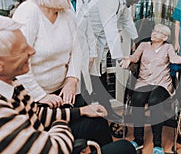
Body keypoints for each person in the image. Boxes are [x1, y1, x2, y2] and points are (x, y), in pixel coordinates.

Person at [0, 15, 137, 154]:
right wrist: (61, 123)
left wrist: (82, 111)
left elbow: (37, 113)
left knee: (97, 120)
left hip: (42, 133)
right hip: (48, 146)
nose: (32, 51)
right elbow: (53, 149)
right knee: (125, 148)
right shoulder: (2, 112)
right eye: (22, 50)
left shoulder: (13, 83)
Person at [12, 0, 112, 146]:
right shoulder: (29, 12)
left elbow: (76, 48)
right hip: (36, 98)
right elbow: (18, 62)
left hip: (64, 89)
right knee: (82, 129)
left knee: (100, 121)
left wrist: (72, 79)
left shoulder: (66, 13)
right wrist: (41, 95)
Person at [120, 24, 181, 154]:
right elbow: (135, 57)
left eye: (158, 32)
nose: (154, 33)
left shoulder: (168, 47)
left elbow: (174, 59)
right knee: (137, 100)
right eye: (154, 30)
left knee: (154, 102)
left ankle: (157, 144)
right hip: (143, 82)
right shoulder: (143, 46)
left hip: (162, 83)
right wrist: (128, 58)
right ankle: (138, 139)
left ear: (164, 37)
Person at [86, 0, 145, 119]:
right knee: (93, 80)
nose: (137, 2)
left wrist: (138, 40)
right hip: (88, 43)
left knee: (100, 78)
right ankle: (103, 113)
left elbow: (127, 21)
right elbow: (111, 29)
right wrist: (120, 58)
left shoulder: (123, 1)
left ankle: (107, 111)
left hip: (99, 43)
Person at [57, 0, 97, 101]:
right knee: (68, 100)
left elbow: (89, 29)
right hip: (64, 61)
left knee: (83, 95)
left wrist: (92, 54)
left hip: (84, 56)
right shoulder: (58, 0)